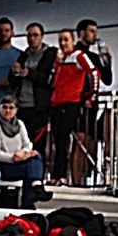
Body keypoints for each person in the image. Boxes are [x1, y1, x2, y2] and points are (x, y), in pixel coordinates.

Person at [47, 28, 99, 186]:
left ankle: (61, 175)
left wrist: (92, 96)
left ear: (73, 41)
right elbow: (53, 81)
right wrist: (57, 63)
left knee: (63, 139)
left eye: (66, 40)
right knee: (57, 140)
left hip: (71, 102)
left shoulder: (79, 56)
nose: (63, 43)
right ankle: (57, 174)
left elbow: (94, 73)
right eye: (60, 40)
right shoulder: (61, 59)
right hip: (57, 103)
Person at [0, 94, 48, 208]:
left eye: (11, 108)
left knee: (36, 157)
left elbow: (27, 144)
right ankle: (33, 195)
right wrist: (14, 158)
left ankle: (35, 189)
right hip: (1, 165)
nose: (7, 111)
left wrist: (25, 153)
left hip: (18, 161)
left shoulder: (20, 124)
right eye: (4, 107)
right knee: (31, 168)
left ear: (16, 110)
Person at [11, 22, 54, 149]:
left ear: (42, 36)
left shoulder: (50, 55)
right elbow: (13, 82)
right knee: (22, 143)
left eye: (35, 35)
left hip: (39, 106)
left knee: (38, 144)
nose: (32, 38)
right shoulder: (23, 55)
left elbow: (49, 80)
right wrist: (14, 72)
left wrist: (30, 74)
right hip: (22, 104)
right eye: (29, 35)